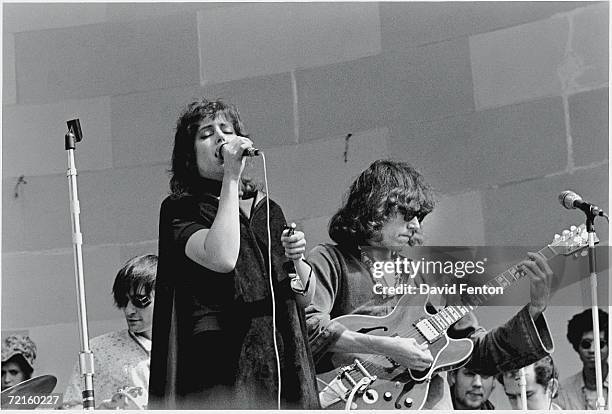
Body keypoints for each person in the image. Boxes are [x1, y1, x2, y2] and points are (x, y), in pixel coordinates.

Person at [306, 159, 555, 409]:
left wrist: (534, 310)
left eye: (419, 217)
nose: (415, 225)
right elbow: (310, 327)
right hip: (345, 398)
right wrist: (385, 345)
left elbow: (479, 355)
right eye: (407, 214)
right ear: (376, 209)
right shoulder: (330, 260)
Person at [148, 98, 319, 409]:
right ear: (190, 154)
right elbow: (222, 257)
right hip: (222, 369)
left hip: (281, 362)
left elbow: (304, 299)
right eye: (206, 133)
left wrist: (297, 259)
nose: (220, 137)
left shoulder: (268, 208)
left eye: (226, 129)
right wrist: (231, 178)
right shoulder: (181, 208)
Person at [62, 254, 157, 409]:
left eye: (140, 301)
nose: (129, 310)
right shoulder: (97, 350)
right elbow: (70, 406)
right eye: (124, 301)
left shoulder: (188, 351)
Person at [556, 308, 609, 410]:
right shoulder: (563, 391)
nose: (593, 350)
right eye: (586, 344)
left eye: (600, 343)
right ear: (577, 347)